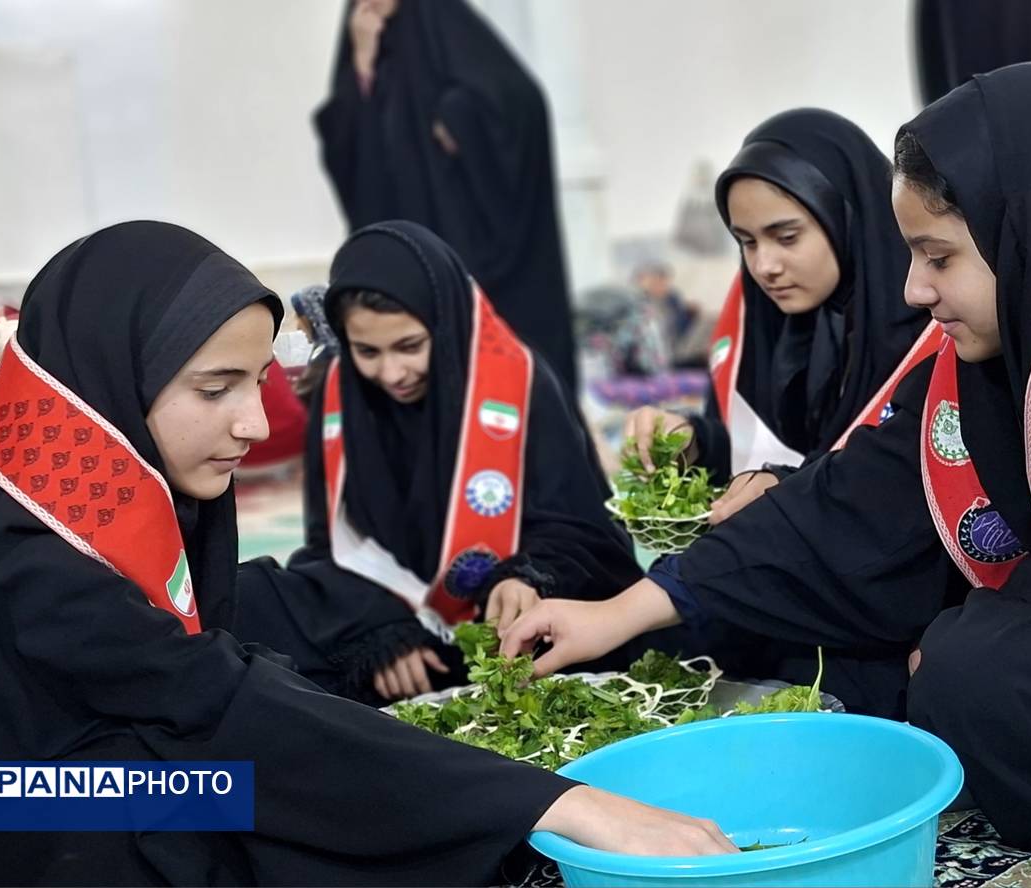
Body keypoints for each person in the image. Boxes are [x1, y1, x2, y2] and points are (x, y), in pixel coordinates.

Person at [502, 63, 1031, 848]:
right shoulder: (994, 347)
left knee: (967, 675)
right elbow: (847, 501)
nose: (914, 291)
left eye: (941, 257)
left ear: (1028, 228)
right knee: (894, 672)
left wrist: (995, 627)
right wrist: (619, 612)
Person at [0, 221, 738, 886]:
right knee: (261, 815)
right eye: (215, 390)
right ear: (113, 374)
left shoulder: (54, 468)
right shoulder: (32, 557)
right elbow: (211, 699)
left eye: (259, 384)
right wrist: (556, 801)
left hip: (63, 765)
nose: (253, 425)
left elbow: (212, 679)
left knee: (304, 750)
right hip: (23, 798)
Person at [236, 221, 643, 704]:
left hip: (509, 627)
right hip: (396, 626)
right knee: (248, 606)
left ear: (444, 323)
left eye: (409, 346)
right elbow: (333, 544)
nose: (391, 373)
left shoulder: (520, 384)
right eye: (368, 351)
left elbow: (582, 531)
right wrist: (382, 633)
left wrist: (523, 577)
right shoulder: (341, 393)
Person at [625, 110, 929, 524]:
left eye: (787, 238)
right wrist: (690, 439)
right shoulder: (762, 316)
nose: (765, 266)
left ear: (845, 218)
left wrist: (791, 488)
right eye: (746, 242)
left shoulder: (925, 324)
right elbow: (754, 449)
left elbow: (906, 486)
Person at [313, 0, 578, 392]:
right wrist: (364, 61)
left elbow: (521, 101)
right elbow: (343, 145)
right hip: (406, 245)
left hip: (472, 244)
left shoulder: (444, 18)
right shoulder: (362, 39)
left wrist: (460, 118)